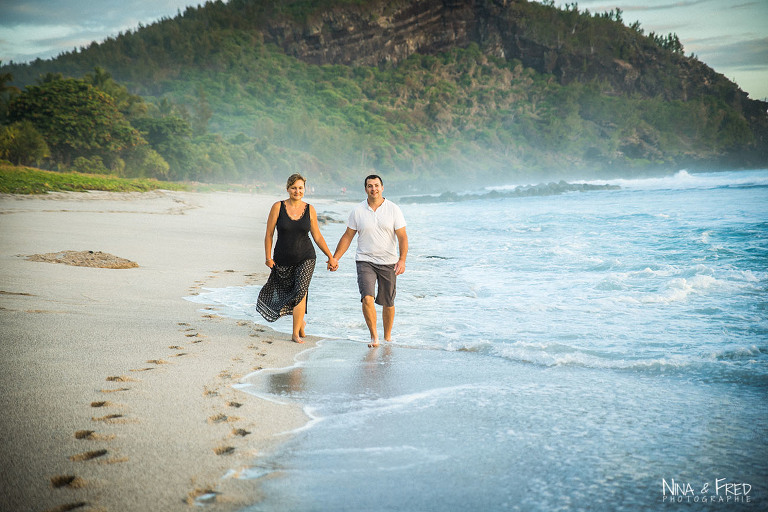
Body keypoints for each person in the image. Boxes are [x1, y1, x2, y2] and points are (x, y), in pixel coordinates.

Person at [257, 173, 337, 343]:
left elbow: (317, 237)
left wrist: (331, 257)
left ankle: (294, 333)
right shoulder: (278, 207)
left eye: (300, 188)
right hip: (282, 259)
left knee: (301, 291)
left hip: (306, 257)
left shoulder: (310, 209)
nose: (297, 191)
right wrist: (267, 257)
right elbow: (269, 234)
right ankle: (301, 322)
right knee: (288, 292)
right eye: (294, 188)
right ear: (287, 189)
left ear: (304, 189)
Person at [331, 175, 408, 347]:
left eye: (376, 185)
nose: (373, 189)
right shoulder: (358, 211)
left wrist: (402, 259)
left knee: (388, 302)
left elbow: (402, 237)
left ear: (382, 188)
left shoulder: (393, 209)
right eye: (370, 186)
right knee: (367, 298)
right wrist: (336, 258)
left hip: (388, 261)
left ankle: (387, 336)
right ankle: (374, 337)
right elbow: (347, 236)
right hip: (365, 260)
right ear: (365, 189)